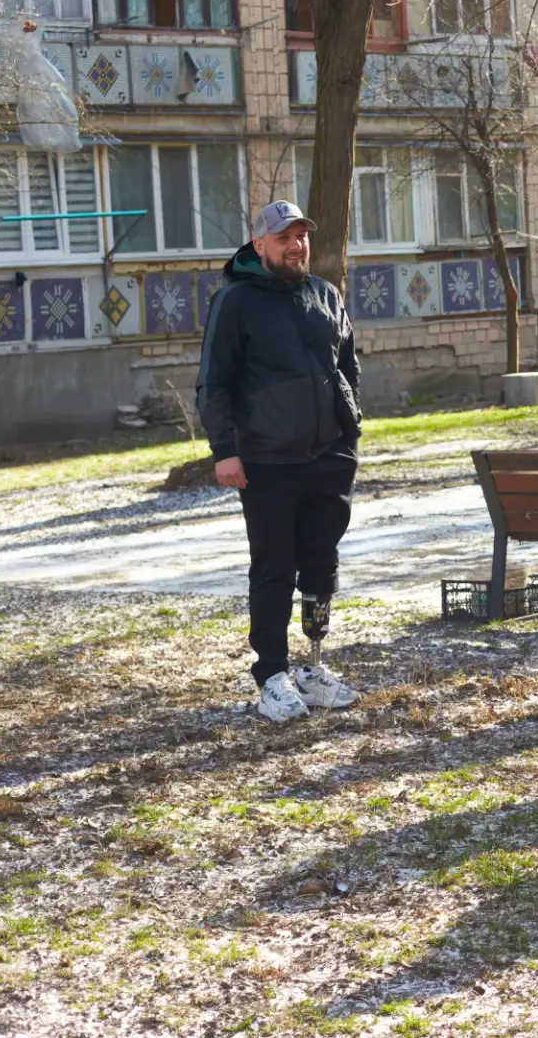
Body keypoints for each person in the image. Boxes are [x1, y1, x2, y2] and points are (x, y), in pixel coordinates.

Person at [197, 201, 364, 724]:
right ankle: (272, 675)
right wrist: (225, 450)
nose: (296, 245)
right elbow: (214, 382)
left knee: (321, 565)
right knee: (274, 569)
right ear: (260, 245)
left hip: (328, 458)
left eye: (301, 237)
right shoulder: (236, 301)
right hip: (268, 462)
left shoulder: (324, 294)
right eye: (284, 237)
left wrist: (348, 424)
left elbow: (347, 363)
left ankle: (313, 668)